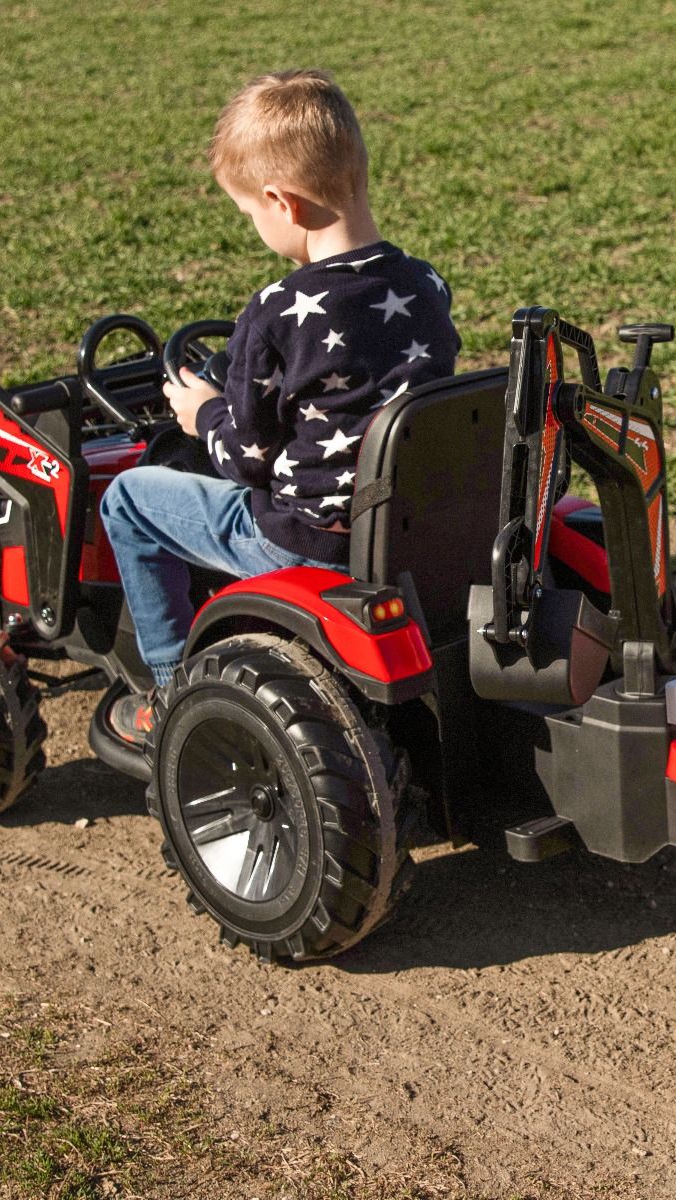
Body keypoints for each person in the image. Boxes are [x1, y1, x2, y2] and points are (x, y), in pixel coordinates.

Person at [99, 69, 459, 743]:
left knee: (128, 500)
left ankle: (170, 685)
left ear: (281, 202)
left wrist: (202, 412)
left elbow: (243, 460)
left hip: (307, 543)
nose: (255, 225)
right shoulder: (424, 283)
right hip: (406, 527)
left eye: (249, 213)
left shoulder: (274, 314)